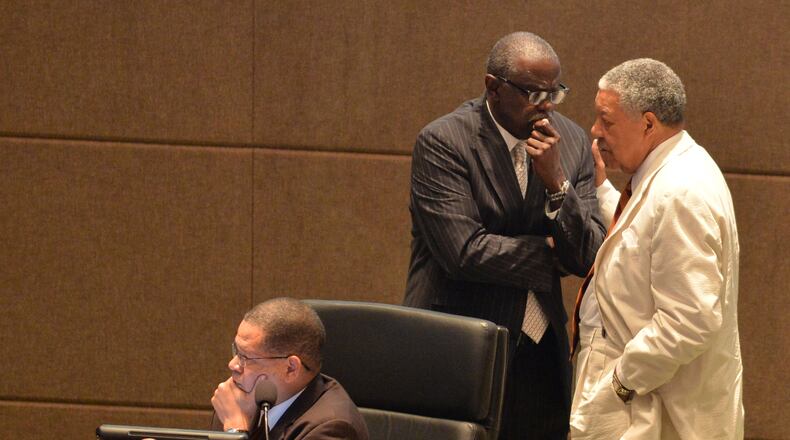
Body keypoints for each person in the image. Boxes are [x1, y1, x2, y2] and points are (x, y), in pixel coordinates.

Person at [403, 31, 606, 439]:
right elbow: (463, 253)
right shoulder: (444, 142)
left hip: (540, 351)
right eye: (534, 93)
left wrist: (557, 184)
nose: (547, 105)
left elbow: (588, 254)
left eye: (555, 92)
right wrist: (550, 254)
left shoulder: (570, 142)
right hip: (457, 342)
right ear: (493, 87)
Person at [570, 58, 743, 439]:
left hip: (655, 409)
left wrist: (622, 380)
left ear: (648, 124)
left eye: (606, 120)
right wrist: (602, 192)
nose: (595, 131)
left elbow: (690, 319)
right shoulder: (672, 173)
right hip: (642, 402)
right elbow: (641, 238)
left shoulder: (681, 191)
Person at [211, 297, 369, 440]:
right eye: (237, 351)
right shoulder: (240, 401)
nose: (233, 364)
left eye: (246, 357)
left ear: (291, 369)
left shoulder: (332, 429)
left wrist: (235, 432)